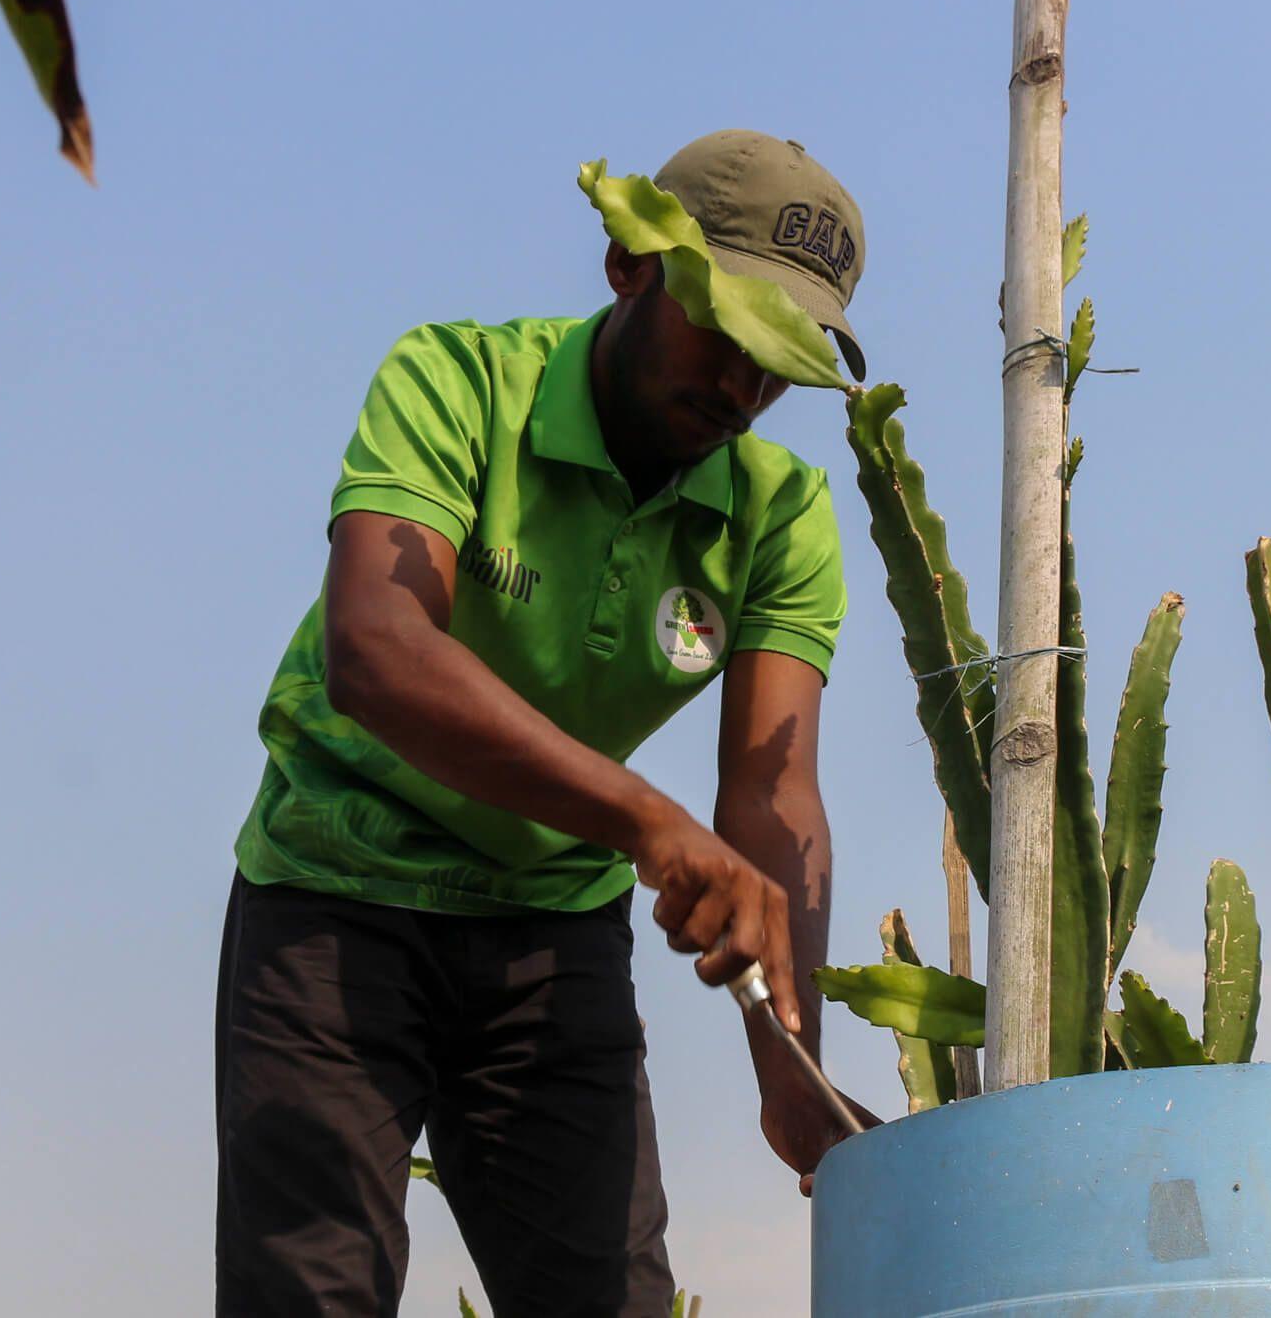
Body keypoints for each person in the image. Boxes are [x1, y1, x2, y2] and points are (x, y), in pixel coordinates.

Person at [216, 129, 879, 1318]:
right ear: (630, 263)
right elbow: (377, 648)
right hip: (334, 901)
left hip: (548, 935)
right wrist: (637, 814)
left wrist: (793, 1063)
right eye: (724, 329)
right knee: (310, 1293)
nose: (742, 387)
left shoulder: (780, 519)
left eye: (780, 361)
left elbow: (773, 796)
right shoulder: (456, 386)